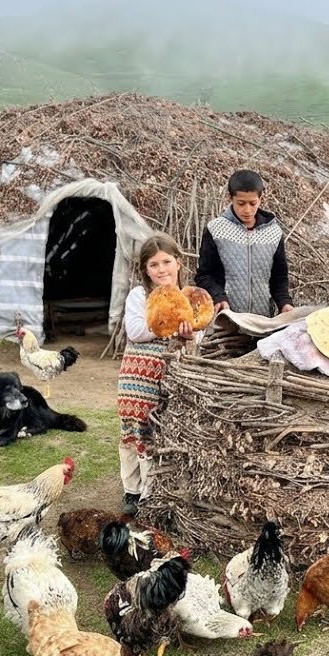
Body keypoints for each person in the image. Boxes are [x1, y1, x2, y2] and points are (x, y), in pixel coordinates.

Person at [117, 232, 196, 515]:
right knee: (135, 430)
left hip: (173, 375)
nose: (161, 269)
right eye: (153, 265)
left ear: (178, 263)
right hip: (138, 375)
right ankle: (132, 490)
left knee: (164, 431)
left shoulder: (190, 298)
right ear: (145, 270)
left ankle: (155, 491)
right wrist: (169, 325)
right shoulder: (141, 296)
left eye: (166, 262)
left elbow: (199, 336)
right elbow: (136, 331)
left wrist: (188, 335)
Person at [195, 168, 295, 316]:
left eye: (252, 203)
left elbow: (279, 277)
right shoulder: (215, 230)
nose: (247, 210)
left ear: (261, 199)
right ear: (230, 198)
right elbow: (204, 276)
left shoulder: (273, 233)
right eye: (241, 203)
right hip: (226, 320)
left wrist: (284, 303)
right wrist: (218, 297)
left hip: (263, 321)